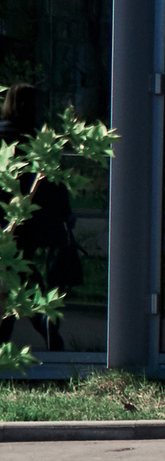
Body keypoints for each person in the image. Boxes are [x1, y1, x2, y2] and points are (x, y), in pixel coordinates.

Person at [1, 85, 80, 352]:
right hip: (29, 226)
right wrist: (65, 215)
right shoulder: (39, 141)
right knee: (22, 276)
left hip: (5, 222)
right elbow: (55, 185)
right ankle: (43, 321)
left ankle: (16, 333)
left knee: (11, 281)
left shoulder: (3, 138)